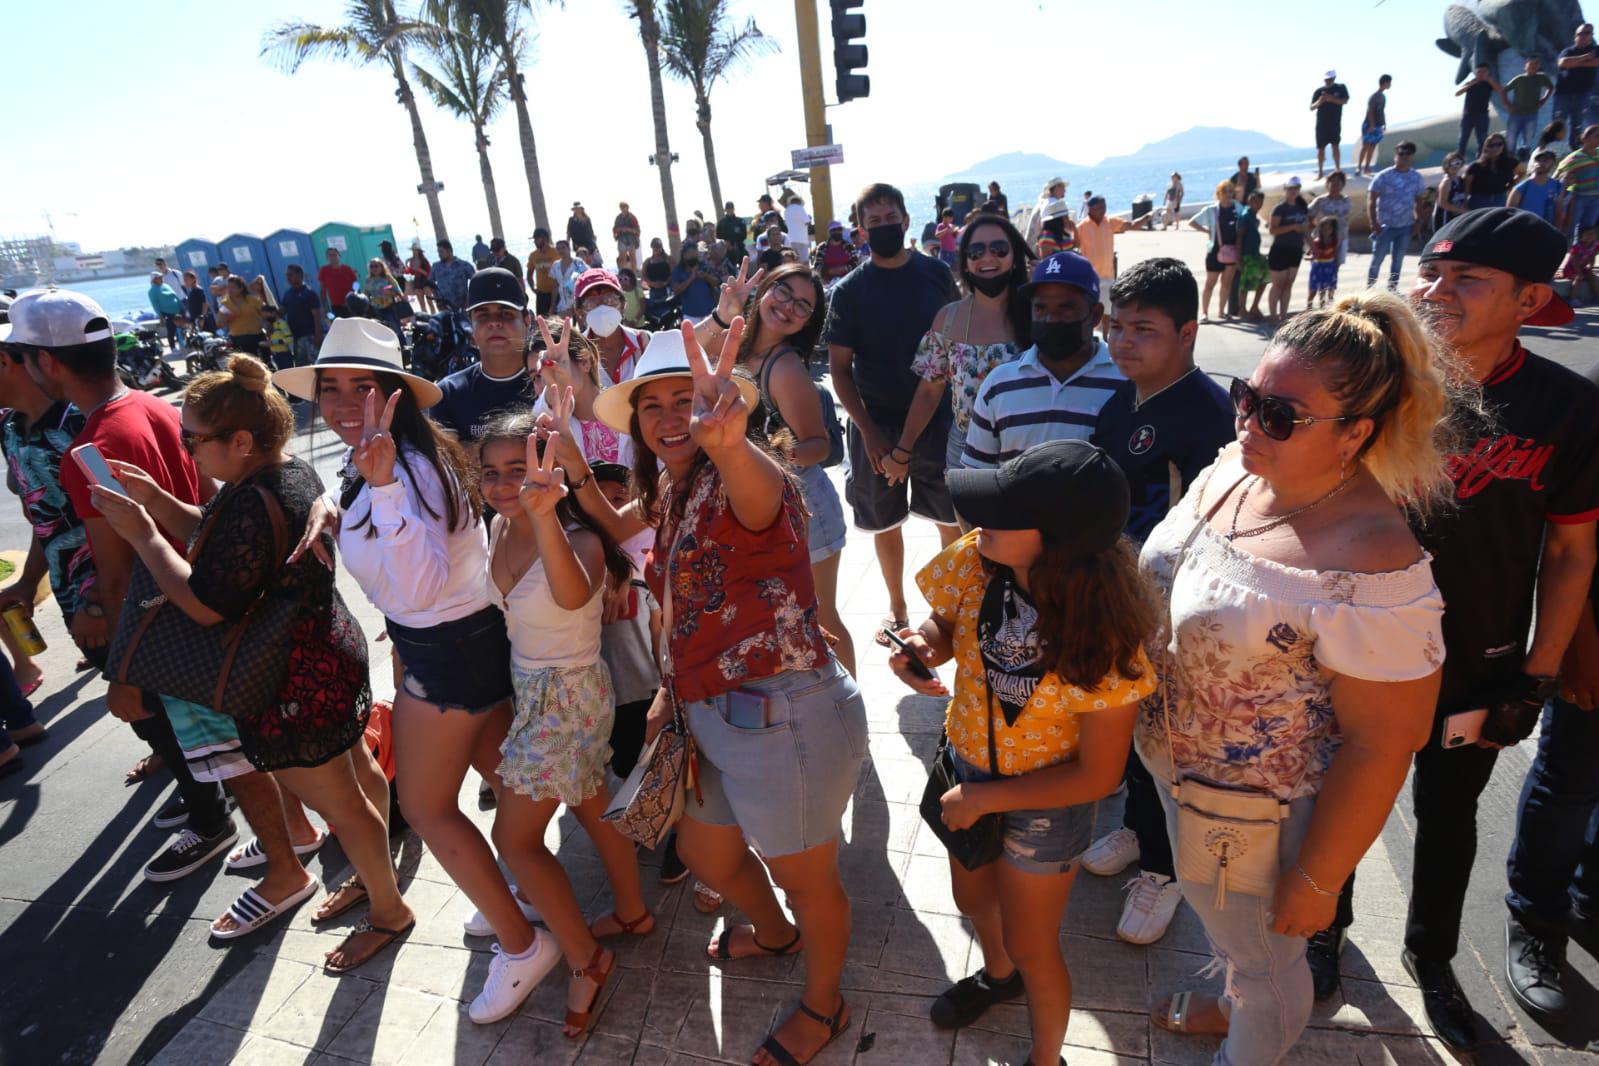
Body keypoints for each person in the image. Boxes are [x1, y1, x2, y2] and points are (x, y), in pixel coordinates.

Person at [1142, 291, 1453, 1064]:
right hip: (1176, 773)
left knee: (1266, 964)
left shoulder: (1373, 561)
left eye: (1279, 415)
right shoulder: (1236, 469)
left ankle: (1245, 1037)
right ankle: (1231, 1005)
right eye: (1246, 398)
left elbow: (1384, 742)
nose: (1247, 424)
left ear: (1355, 432)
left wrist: (1317, 881)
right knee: (1232, 937)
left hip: (1254, 818)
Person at [547, 319, 866, 1066]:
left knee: (805, 876)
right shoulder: (672, 484)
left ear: (724, 407)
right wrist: (576, 466)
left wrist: (726, 442)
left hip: (786, 713)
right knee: (705, 852)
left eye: (684, 400)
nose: (669, 418)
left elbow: (760, 500)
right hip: (706, 710)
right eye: (651, 405)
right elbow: (627, 530)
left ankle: (824, 1005)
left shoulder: (745, 474)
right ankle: (776, 934)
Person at [1320, 209, 1595, 1051]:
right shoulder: (1373, 381)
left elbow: (1571, 550)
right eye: (1431, 272)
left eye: (1467, 279)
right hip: (1352, 648)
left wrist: (1537, 674)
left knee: (1447, 816)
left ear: (1529, 300)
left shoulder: (1565, 407)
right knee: (1337, 797)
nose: (1437, 291)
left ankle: (1432, 958)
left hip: (1478, 659)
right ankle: (1321, 935)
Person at [276, 319, 560, 1023]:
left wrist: (379, 491)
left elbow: (421, 583)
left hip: (443, 651)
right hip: (466, 642)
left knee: (430, 809)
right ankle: (529, 899)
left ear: (394, 394)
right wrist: (334, 506)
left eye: (363, 387)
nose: (343, 402)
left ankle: (523, 945)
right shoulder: (400, 454)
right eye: (330, 388)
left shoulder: (401, 469)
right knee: (502, 777)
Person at [96, 354, 412, 968]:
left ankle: (388, 910)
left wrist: (143, 535)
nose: (186, 450)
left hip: (288, 681)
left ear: (241, 441)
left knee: (343, 805)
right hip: (326, 654)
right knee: (359, 777)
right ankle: (381, 879)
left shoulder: (253, 497)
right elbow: (224, 542)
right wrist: (157, 501)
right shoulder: (285, 471)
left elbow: (207, 603)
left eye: (192, 439)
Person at [890, 438, 1159, 1066]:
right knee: (972, 900)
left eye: (1003, 512)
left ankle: (1046, 1056)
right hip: (967, 769)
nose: (978, 519)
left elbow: (1098, 775)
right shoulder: (975, 560)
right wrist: (923, 647)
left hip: (1046, 806)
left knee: (1034, 944)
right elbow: (944, 625)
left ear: (1058, 542)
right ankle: (997, 975)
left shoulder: (1104, 635)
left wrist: (985, 800)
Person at [10, 288, 243, 885]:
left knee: (166, 717)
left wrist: (121, 667)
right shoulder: (153, 404)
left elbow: (114, 573)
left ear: (46, 361)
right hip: (187, 590)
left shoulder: (90, 447)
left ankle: (211, 822)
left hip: (145, 614)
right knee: (196, 723)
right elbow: (206, 503)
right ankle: (212, 797)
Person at [472, 411, 649, 1037]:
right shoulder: (500, 523)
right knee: (592, 802)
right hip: (535, 691)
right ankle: (632, 912)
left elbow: (573, 597)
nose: (503, 485)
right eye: (491, 472)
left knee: (515, 840)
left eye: (518, 470)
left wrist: (544, 513)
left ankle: (585, 959)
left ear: (551, 471)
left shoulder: (580, 538)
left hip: (566, 699)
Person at [1082, 259, 1234, 947]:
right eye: (1116, 326)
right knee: (1132, 727)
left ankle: (1166, 872)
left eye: (1143, 329)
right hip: (1119, 599)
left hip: (1175, 612)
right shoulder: (1120, 402)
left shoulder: (1209, 415)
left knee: (1171, 739)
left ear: (1187, 332)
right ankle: (1138, 832)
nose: (1123, 341)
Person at [828, 182, 962, 637]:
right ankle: (898, 608)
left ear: (906, 220)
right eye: (874, 221)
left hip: (939, 419)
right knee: (884, 522)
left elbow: (958, 340)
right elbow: (840, 371)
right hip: (876, 423)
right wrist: (868, 432)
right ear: (861, 230)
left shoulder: (936, 274)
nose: (884, 227)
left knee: (949, 520)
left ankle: (952, 608)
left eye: (891, 219)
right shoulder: (848, 292)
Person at [716, 264, 856, 677]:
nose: (789, 306)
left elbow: (819, 445)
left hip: (805, 511)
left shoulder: (785, 367)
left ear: (808, 321)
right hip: (760, 508)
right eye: (783, 291)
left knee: (822, 619)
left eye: (803, 305)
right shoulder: (736, 345)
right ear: (764, 289)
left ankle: (852, 710)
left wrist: (763, 455)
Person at [899, 216, 1031, 482]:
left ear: (1015, 257)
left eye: (999, 249)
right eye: (976, 251)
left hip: (1031, 448)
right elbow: (928, 391)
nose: (987, 257)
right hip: (965, 451)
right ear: (966, 262)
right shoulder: (947, 320)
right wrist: (903, 450)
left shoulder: (1038, 313)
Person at [963, 251, 1123, 470]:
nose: (1050, 318)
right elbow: (976, 475)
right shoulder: (998, 385)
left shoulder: (1125, 382)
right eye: (1040, 308)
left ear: (1095, 314)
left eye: (1065, 308)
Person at [430, 268, 538, 446]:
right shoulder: (449, 393)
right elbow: (450, 459)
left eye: (506, 314)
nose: (494, 322)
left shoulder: (549, 384)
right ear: (471, 325)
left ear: (527, 321)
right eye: (483, 315)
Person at [1367, 141, 1427, 289]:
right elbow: (1371, 199)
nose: (1404, 157)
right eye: (1401, 153)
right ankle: (1370, 288)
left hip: (1405, 226)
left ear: (1412, 156)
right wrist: (1373, 222)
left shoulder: (1416, 177)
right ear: (1396, 155)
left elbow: (1418, 201)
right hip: (1384, 226)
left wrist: (1418, 223)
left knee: (1398, 260)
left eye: (1408, 154)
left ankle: (1392, 288)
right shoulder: (1383, 176)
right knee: (1377, 260)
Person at [1189, 181, 1241, 322]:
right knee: (1210, 283)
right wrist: (1207, 231)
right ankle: (1204, 313)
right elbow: (1192, 222)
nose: (1228, 194)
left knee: (1226, 283)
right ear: (1219, 194)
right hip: (1215, 251)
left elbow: (1245, 222)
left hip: (1232, 251)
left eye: (1230, 191)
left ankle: (1221, 312)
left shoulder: (1237, 208)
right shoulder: (1211, 210)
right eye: (1225, 191)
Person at [1075, 195, 1146, 290]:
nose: (1103, 210)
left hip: (1108, 278)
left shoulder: (1110, 222)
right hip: (1090, 278)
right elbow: (1073, 246)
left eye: (1104, 207)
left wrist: (1147, 217)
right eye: (1100, 207)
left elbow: (1133, 225)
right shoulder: (1081, 227)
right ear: (1090, 209)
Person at [1268, 177, 1310, 322]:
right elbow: (1272, 230)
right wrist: (1292, 227)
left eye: (1296, 188)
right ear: (1285, 190)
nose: (1293, 191)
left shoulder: (1302, 207)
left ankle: (1283, 315)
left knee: (1288, 283)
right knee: (1278, 284)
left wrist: (1312, 247)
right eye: (1290, 188)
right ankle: (1273, 315)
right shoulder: (1280, 208)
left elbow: (1306, 230)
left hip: (1296, 249)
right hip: (1280, 249)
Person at [1555, 23, 1598, 149]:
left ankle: (1574, 152)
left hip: (1583, 94)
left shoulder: (1596, 49)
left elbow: (1597, 62)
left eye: (1587, 33)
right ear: (1575, 36)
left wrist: (1576, 63)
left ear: (1591, 35)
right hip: (1563, 94)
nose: (1583, 36)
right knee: (1557, 125)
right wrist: (1587, 57)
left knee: (1577, 126)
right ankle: (1554, 151)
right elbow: (1563, 63)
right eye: (1580, 33)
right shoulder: (1568, 51)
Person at [1503, 57, 1555, 157]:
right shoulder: (1519, 79)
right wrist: (1508, 105)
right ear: (1525, 66)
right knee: (1511, 139)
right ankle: (1509, 158)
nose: (1533, 66)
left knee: (1528, 139)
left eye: (1535, 64)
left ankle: (1524, 158)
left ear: (1538, 66)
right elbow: (1504, 91)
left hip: (1531, 114)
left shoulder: (1542, 77)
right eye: (1530, 64)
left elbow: (1550, 87)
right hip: (1515, 114)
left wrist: (1544, 99)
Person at [1555, 124, 1599, 238]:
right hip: (1578, 198)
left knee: (1587, 229)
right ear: (1586, 138)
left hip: (1596, 198)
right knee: (1569, 228)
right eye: (1597, 136)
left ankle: (1581, 249)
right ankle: (1566, 247)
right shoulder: (1574, 158)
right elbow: (1557, 175)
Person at [278, 265, 323, 371]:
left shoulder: (309, 293)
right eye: (287, 275)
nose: (288, 278)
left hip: (310, 336)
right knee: (301, 368)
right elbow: (280, 313)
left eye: (290, 275)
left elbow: (317, 316)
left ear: (299, 275)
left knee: (315, 366)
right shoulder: (287, 294)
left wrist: (318, 335)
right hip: (296, 338)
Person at [1308, 170, 1353, 268]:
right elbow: (1308, 215)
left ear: (1343, 185)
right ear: (1327, 184)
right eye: (1333, 181)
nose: (1335, 184)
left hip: (1340, 238)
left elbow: (1347, 217)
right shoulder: (1320, 200)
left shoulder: (1346, 200)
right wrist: (1313, 229)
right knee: (1318, 265)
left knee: (1335, 267)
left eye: (1339, 182)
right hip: (1322, 240)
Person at [1455, 63, 1501, 159]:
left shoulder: (1489, 84)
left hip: (1482, 115)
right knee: (1463, 138)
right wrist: (1471, 84)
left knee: (1482, 139)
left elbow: (1500, 90)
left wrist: (1490, 80)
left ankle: (1481, 158)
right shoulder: (1471, 82)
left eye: (1484, 72)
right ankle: (1459, 158)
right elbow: (1457, 93)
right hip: (1468, 115)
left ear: (1487, 73)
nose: (1481, 74)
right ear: (1476, 73)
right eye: (1479, 72)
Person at [1464, 132, 1518, 209]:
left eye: (1499, 144)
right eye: (1491, 145)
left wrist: (1511, 186)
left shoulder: (1510, 162)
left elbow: (1523, 171)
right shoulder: (1476, 166)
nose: (1495, 148)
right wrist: (1466, 203)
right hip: (1479, 201)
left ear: (1504, 145)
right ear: (1486, 147)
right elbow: (1467, 186)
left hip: (1500, 200)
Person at [1311, 70, 1350, 178]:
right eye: (1326, 79)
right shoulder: (1319, 91)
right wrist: (1320, 101)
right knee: (1321, 148)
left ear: (1334, 78)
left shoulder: (1340, 88)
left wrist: (1330, 98)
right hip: (1321, 123)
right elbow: (1312, 107)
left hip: (1334, 122)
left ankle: (1337, 169)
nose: (1327, 81)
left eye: (1329, 79)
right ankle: (1320, 172)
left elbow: (1344, 101)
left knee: (1335, 145)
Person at [1510, 149, 1566, 224]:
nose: (1540, 163)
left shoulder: (1557, 186)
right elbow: (1510, 215)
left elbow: (1558, 212)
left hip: (1546, 229)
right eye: (1538, 160)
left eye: (1545, 160)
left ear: (1553, 163)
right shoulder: (1521, 188)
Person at [1237, 190, 1269, 320]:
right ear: (1249, 201)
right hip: (1247, 255)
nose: (1258, 204)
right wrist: (1239, 259)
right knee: (1245, 283)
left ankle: (1254, 306)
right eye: (1255, 201)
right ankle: (1242, 310)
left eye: (1260, 201)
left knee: (1266, 277)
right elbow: (1239, 238)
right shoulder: (1245, 216)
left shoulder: (1254, 217)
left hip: (1256, 254)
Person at [359, 258, 405, 343]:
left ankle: (403, 345)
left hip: (389, 308)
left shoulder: (388, 278)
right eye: (371, 266)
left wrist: (389, 292)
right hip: (375, 310)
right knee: (381, 330)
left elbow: (399, 293)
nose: (374, 268)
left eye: (376, 266)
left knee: (396, 329)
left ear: (381, 267)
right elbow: (366, 294)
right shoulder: (368, 280)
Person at [218, 275, 266, 354]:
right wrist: (226, 319)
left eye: (233, 287)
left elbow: (265, 314)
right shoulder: (224, 304)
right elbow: (220, 324)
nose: (230, 290)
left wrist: (260, 292)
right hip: (238, 339)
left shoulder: (252, 300)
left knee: (264, 360)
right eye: (228, 287)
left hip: (257, 336)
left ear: (241, 288)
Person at [1358, 74, 1392, 176]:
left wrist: (1384, 123)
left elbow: (1382, 111)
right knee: (1366, 145)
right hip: (1369, 124)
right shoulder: (1374, 96)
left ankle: (1367, 167)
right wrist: (1371, 124)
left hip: (1378, 124)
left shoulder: (1383, 97)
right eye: (1389, 82)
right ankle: (1359, 167)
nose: (1390, 84)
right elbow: (1370, 110)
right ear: (1385, 83)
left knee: (1373, 146)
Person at [1559, 222, 1599, 304]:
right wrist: (1579, 273)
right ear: (1581, 237)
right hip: (1571, 269)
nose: (1591, 236)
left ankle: (1597, 296)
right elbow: (1575, 261)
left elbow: (1593, 257)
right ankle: (1573, 299)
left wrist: (1590, 268)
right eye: (1588, 234)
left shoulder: (1595, 245)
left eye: (1593, 234)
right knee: (1578, 278)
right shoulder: (1576, 247)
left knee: (1592, 276)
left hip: (1582, 268)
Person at [430, 238, 474, 312]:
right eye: (438, 252)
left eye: (441, 252)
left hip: (463, 306)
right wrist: (436, 297)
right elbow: (430, 283)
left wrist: (469, 297)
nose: (439, 255)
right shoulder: (436, 267)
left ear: (449, 250)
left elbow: (475, 280)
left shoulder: (464, 265)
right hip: (444, 307)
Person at [1307, 217, 1342, 307]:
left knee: (1327, 289)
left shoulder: (1334, 241)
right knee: (1313, 290)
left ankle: (1323, 307)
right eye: (1324, 229)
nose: (1326, 231)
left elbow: (1335, 254)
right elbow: (1309, 253)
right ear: (1320, 229)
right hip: (1318, 266)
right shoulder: (1316, 242)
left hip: (1330, 266)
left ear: (1332, 230)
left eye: (1329, 229)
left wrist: (1336, 266)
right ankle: (1309, 307)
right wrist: (1311, 257)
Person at [1431, 153, 1470, 232]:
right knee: (1444, 239)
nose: (1455, 166)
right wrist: (1463, 211)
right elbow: (1442, 203)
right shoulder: (1447, 181)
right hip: (1444, 217)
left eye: (1458, 163)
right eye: (1452, 163)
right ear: (1446, 165)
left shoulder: (1460, 180)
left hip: (1454, 217)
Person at [147, 273, 185, 350]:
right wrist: (160, 316)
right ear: (154, 280)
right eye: (159, 277)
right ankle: (173, 348)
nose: (161, 278)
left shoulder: (166, 286)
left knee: (183, 328)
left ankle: (183, 344)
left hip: (178, 311)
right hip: (167, 313)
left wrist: (182, 307)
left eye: (161, 277)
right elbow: (155, 304)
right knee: (171, 330)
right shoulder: (152, 291)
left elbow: (175, 296)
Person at [318, 247, 357, 319]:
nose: (333, 257)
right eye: (330, 255)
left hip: (351, 305)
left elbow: (356, 285)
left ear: (339, 255)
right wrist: (324, 308)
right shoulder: (324, 270)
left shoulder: (347, 269)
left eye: (334, 255)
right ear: (327, 258)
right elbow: (322, 291)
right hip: (336, 306)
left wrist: (358, 300)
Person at [551, 240, 584, 316]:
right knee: (560, 322)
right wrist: (552, 304)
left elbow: (585, 279)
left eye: (563, 247)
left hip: (578, 301)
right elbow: (555, 286)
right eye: (558, 248)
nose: (561, 250)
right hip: (563, 303)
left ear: (569, 248)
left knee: (581, 322)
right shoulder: (555, 265)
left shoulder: (578, 262)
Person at [404, 246, 434, 313]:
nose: (413, 251)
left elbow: (429, 273)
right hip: (417, 281)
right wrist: (406, 263)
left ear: (419, 251)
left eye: (415, 250)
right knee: (421, 304)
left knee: (430, 302)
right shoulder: (412, 260)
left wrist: (419, 269)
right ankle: (426, 317)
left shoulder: (424, 260)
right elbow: (410, 272)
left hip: (425, 281)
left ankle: (435, 316)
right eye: (412, 250)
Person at [613, 201, 641, 266]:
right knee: (622, 258)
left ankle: (633, 271)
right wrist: (616, 233)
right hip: (621, 239)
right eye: (621, 207)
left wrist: (627, 229)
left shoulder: (632, 217)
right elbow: (615, 228)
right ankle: (623, 271)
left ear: (627, 207)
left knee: (632, 257)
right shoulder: (618, 218)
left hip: (631, 239)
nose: (622, 209)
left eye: (624, 207)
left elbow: (637, 230)